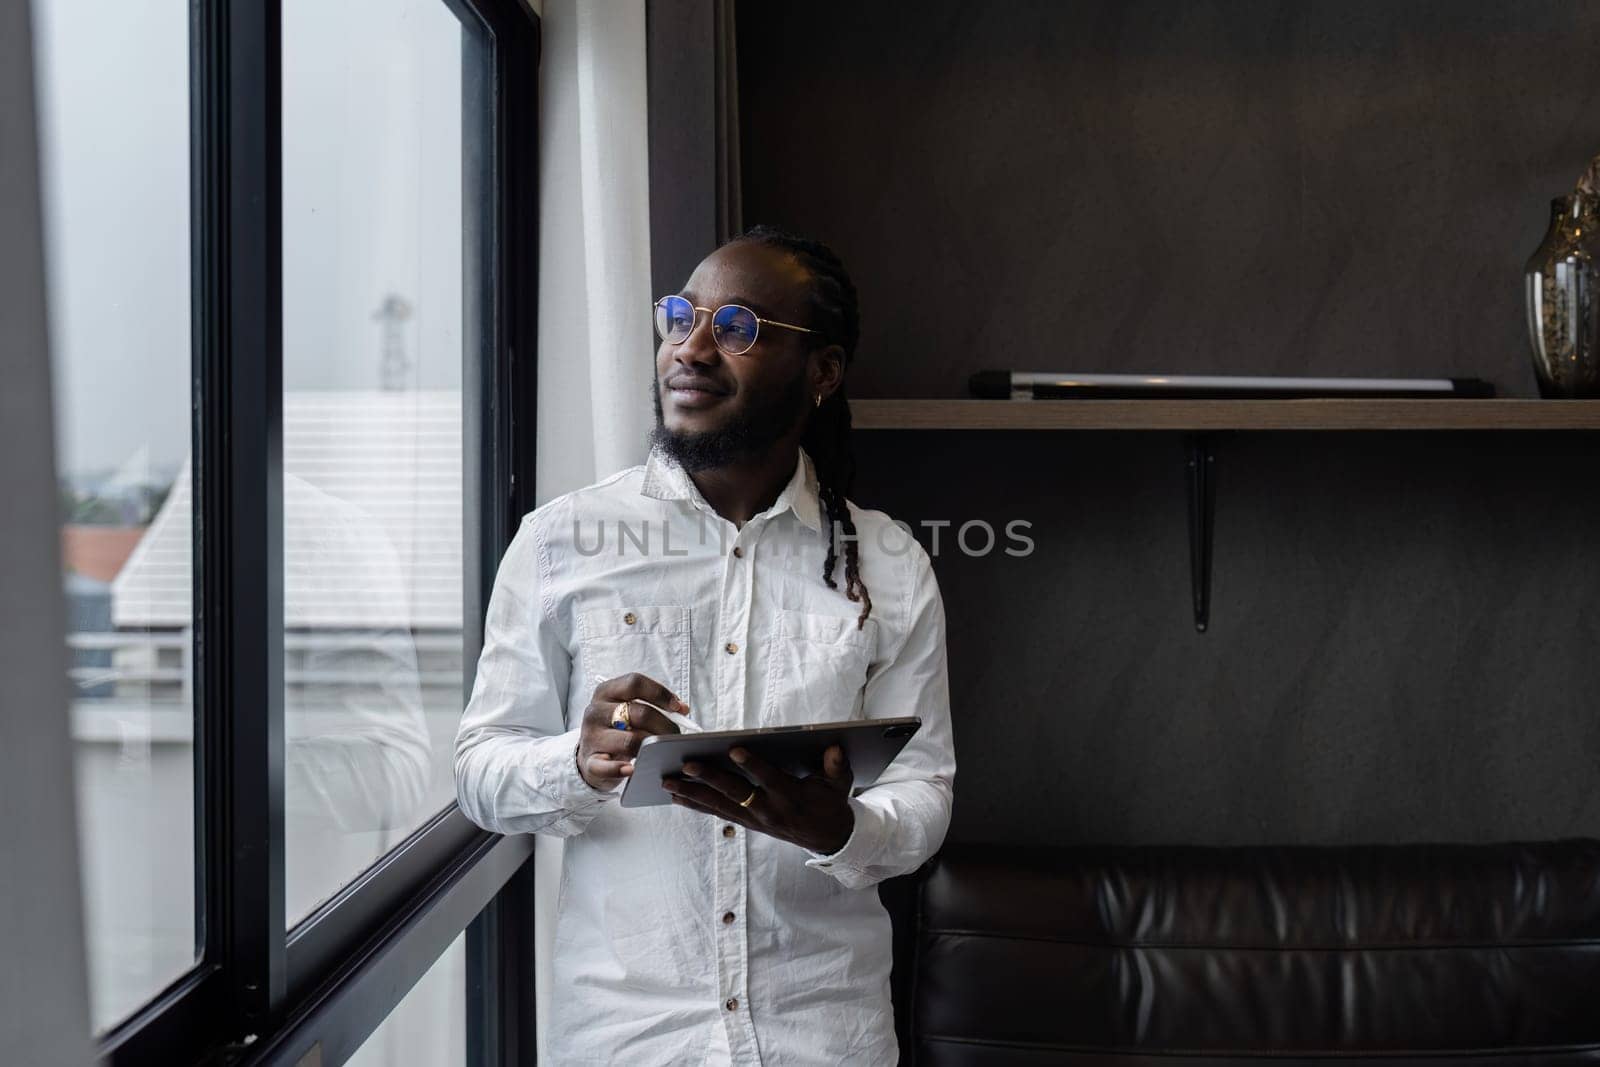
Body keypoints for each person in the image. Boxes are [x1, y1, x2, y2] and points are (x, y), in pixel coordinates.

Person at [455, 225, 955, 1064]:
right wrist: (579, 762)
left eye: (738, 328)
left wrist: (843, 830)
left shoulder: (890, 564)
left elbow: (925, 788)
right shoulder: (561, 541)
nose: (689, 349)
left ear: (822, 372)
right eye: (680, 316)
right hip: (626, 1040)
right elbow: (478, 771)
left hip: (823, 1035)